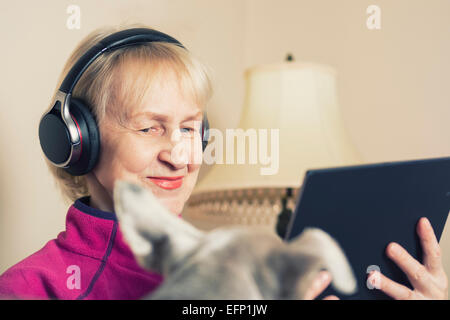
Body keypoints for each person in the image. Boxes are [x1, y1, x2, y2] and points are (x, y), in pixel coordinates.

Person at [0, 23, 447, 300]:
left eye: (191, 128)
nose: (180, 156)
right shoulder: (30, 289)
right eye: (150, 127)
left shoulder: (256, 269)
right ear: (79, 140)